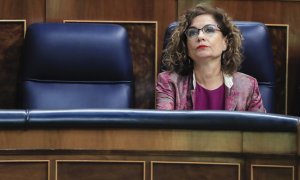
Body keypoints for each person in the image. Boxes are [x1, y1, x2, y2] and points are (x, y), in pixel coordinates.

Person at [156, 4, 266, 112]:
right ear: (186, 47)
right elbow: (164, 127)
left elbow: (261, 129)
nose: (200, 36)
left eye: (209, 30)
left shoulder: (248, 86)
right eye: (192, 32)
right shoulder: (169, 83)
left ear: (225, 42)